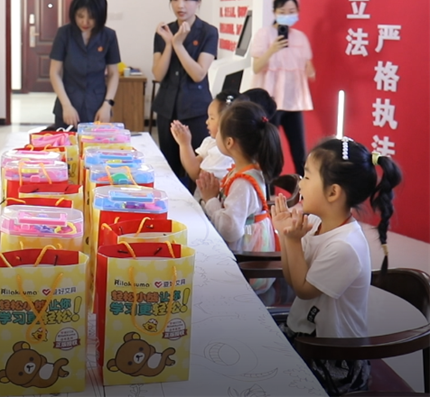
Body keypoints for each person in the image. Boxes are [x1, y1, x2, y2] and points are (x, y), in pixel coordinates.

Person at [271, 137, 402, 395]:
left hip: (334, 358)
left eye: (307, 176)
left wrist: (293, 241)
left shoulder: (345, 246)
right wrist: (286, 236)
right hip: (305, 337)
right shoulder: (315, 224)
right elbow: (291, 277)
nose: (300, 183)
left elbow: (303, 290)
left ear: (333, 192)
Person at [197, 101, 283, 291]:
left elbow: (230, 230)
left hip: (248, 266)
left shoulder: (242, 183)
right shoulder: (244, 170)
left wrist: (211, 200)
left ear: (229, 142)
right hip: (247, 256)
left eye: (219, 131)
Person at [152, 0, 219, 187]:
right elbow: (158, 74)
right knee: (169, 167)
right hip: (167, 110)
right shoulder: (164, 31)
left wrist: (179, 45)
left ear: (198, 2)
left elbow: (198, 73)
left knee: (194, 169)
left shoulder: (208, 32)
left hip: (196, 110)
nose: (180, 5)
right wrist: (169, 44)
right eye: (175, 0)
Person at [251, 0, 315, 176]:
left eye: (292, 11)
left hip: (293, 102)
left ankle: (303, 190)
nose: (287, 15)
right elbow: (256, 67)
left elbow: (308, 66)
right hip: (270, 104)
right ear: (274, 12)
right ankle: (267, 191)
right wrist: (272, 50)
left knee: (300, 152)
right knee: (269, 152)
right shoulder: (264, 34)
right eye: (283, 11)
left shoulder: (301, 38)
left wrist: (310, 69)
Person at [50, 0, 121, 127]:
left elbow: (113, 74)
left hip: (98, 107)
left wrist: (107, 104)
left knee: (97, 142)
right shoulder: (64, 34)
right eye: (80, 16)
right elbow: (54, 73)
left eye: (91, 17)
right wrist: (66, 106)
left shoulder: (109, 36)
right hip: (68, 105)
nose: (85, 22)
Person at [170, 91, 239, 192]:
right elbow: (193, 164)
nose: (207, 122)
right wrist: (183, 143)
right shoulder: (210, 141)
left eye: (212, 118)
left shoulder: (223, 153)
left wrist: (185, 144)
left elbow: (197, 176)